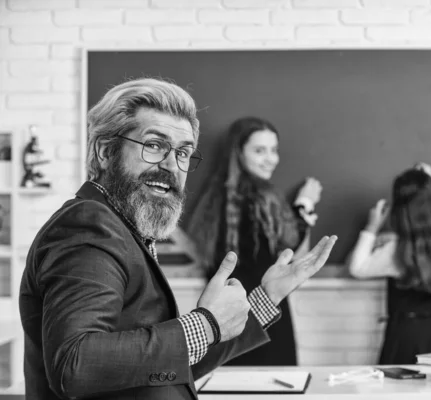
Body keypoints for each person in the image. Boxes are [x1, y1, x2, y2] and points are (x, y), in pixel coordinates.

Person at [19, 78, 337, 400]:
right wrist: (206, 325)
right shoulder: (88, 226)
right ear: (105, 151)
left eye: (183, 152)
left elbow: (164, 369)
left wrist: (267, 296)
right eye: (154, 145)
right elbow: (75, 365)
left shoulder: (124, 228)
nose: (172, 165)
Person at [187, 116, 322, 366]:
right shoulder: (260, 200)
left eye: (274, 150)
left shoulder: (215, 202)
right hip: (264, 318)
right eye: (260, 151)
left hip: (226, 321)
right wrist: (305, 205)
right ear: (238, 154)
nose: (271, 159)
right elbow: (290, 257)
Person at [346, 163, 431, 364]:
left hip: (403, 341)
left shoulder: (397, 250)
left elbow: (357, 268)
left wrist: (371, 227)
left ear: (400, 210)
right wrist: (429, 184)